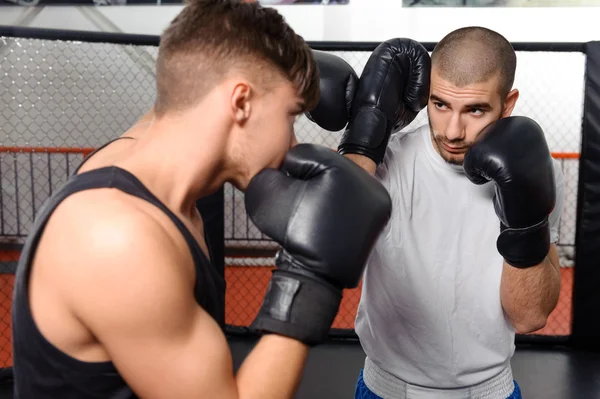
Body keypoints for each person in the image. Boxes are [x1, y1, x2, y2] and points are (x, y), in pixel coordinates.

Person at [10, 1, 393, 398]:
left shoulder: (152, 176)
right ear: (241, 102)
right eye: (291, 116)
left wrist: (264, 57)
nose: (292, 145)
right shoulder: (117, 236)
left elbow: (191, 81)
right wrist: (312, 278)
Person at [308, 27, 564, 399]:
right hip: (386, 388)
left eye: (475, 109)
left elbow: (529, 316)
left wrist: (525, 220)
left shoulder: (536, 171)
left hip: (490, 390)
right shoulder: (384, 160)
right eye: (440, 104)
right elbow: (323, 246)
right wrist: (363, 134)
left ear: (507, 104)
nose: (453, 131)